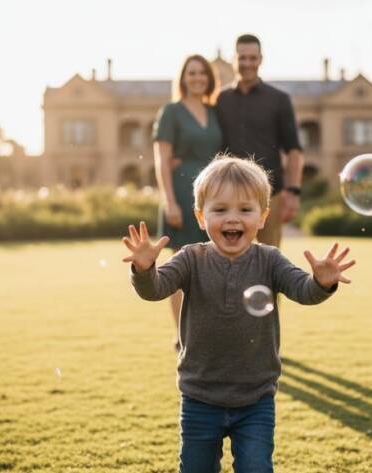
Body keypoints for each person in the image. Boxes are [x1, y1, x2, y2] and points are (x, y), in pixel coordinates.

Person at [122, 155, 355, 472]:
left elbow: (303, 290)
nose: (233, 218)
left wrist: (321, 282)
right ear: (201, 218)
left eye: (245, 210)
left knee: (256, 468)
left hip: (256, 399)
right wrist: (145, 268)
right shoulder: (191, 258)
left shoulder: (270, 260)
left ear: (262, 217)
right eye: (220, 210)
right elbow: (154, 289)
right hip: (199, 396)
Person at [153, 54, 223, 351]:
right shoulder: (171, 111)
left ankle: (206, 331)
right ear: (183, 78)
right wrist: (170, 201)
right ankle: (181, 335)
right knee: (180, 266)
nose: (197, 78)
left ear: (209, 78)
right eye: (191, 73)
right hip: (181, 194)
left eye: (202, 73)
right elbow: (161, 159)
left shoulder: (214, 112)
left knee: (210, 265)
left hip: (213, 196)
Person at [216, 34, 304, 248]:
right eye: (242, 58)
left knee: (269, 259)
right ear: (233, 59)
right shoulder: (218, 99)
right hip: (228, 194)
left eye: (252, 58)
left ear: (260, 59)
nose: (247, 63)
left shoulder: (279, 99)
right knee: (229, 260)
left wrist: (292, 192)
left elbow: (294, 149)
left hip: (269, 195)